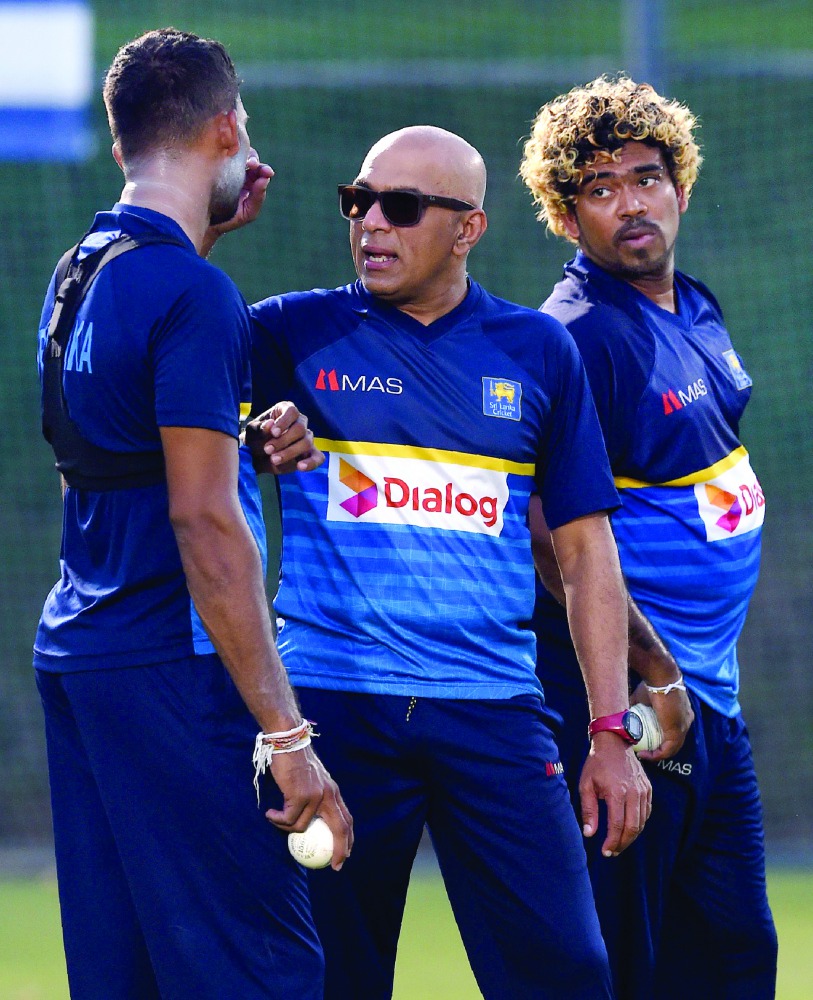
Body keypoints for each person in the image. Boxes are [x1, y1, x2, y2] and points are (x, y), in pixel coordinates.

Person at [214, 124, 651, 1000]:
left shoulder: (537, 350)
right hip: (333, 710)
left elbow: (583, 549)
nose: (371, 222)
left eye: (402, 207)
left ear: (468, 229)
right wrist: (249, 441)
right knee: (329, 979)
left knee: (569, 971)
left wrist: (610, 730)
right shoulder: (284, 333)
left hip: (494, 711)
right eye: (358, 201)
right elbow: (185, 427)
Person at [34, 28, 351, 1000]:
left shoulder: (80, 271)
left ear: (120, 136)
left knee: (128, 974)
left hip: (82, 655)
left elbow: (113, 444)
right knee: (260, 973)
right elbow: (205, 522)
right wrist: (289, 740)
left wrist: (209, 239)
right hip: (174, 669)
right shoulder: (192, 295)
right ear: (225, 128)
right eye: (242, 129)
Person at [519, 75, 778, 999]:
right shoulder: (580, 335)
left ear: (680, 186)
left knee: (735, 958)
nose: (629, 202)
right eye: (598, 188)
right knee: (625, 966)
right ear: (564, 213)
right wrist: (636, 697)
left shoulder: (693, 307)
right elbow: (553, 545)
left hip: (708, 703)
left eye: (644, 176)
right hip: (634, 708)